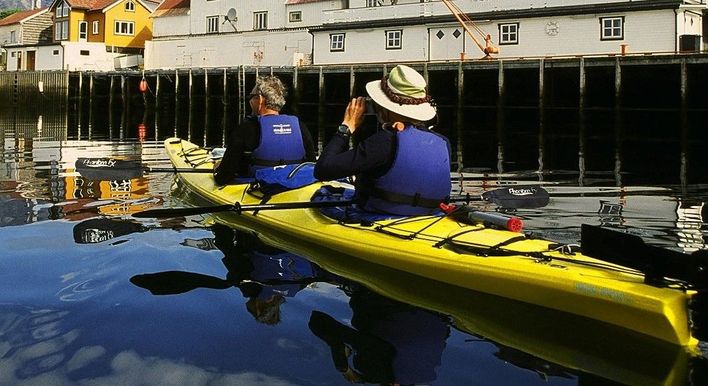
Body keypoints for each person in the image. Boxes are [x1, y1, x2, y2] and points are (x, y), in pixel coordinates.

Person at [314, 65, 452, 216]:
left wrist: (346, 127)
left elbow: (322, 170)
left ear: (388, 107)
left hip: (379, 217)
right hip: (430, 218)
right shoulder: (443, 143)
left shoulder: (383, 142)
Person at [214, 75, 316, 185]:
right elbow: (311, 164)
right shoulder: (300, 126)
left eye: (251, 96)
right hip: (295, 186)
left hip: (257, 189)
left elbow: (224, 177)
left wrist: (218, 169)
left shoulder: (247, 128)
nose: (250, 101)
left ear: (260, 99)